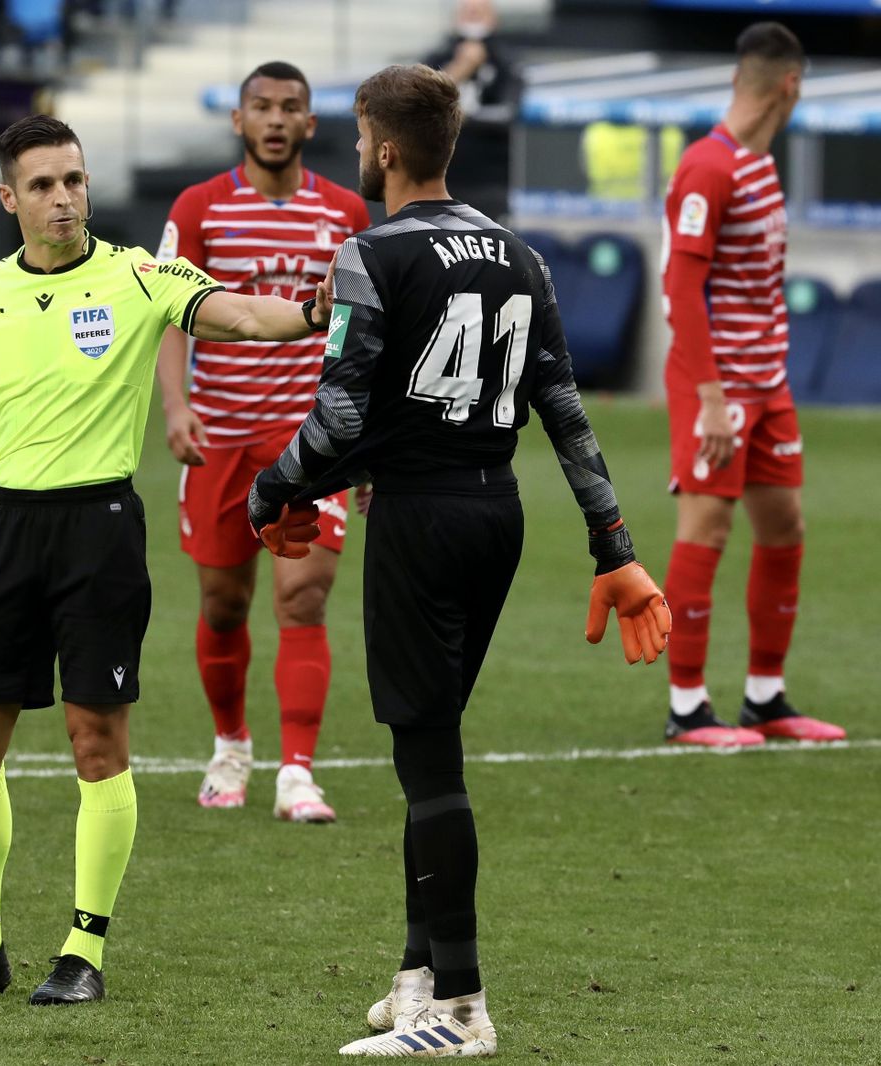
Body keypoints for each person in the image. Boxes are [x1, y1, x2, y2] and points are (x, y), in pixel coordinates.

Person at [245, 65, 671, 1057]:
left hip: (420, 520)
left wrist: (273, 491)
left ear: (387, 148)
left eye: (361, 138)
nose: (358, 152)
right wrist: (613, 544)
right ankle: (418, 975)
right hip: (496, 515)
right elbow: (564, 411)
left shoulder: (370, 252)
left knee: (428, 759)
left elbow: (340, 417)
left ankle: (463, 1008)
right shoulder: (522, 255)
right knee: (428, 744)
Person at [0, 114, 338, 1006]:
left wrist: (313, 311)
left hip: (100, 533)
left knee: (97, 741)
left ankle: (83, 951)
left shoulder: (140, 275)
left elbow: (243, 315)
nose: (64, 198)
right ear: (8, 198)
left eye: (74, 180)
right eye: (43, 185)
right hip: (5, 532)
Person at [155, 60, 371, 823]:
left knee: (303, 597)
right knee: (223, 605)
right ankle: (231, 746)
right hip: (218, 436)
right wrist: (176, 407)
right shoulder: (200, 207)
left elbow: (367, 329)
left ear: (310, 124)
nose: (275, 120)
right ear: (238, 120)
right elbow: (169, 313)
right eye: (261, 107)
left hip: (311, 439)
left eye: (289, 108)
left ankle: (297, 773)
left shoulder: (346, 211)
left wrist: (368, 440)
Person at [658, 22, 843, 748]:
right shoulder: (708, 167)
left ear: (743, 79)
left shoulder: (760, 164)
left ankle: (766, 696)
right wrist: (710, 396)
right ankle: (687, 707)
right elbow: (681, 287)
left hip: (768, 383)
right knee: (707, 527)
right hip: (719, 386)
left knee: (785, 525)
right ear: (791, 86)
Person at [419, 0, 520, 223]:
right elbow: (420, 103)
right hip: (440, 175)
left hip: (489, 178)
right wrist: (461, 68)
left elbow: (508, 112)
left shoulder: (505, 61)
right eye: (467, 12)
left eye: (479, 12)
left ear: (494, 19)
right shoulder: (437, 57)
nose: (473, 16)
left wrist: (462, 117)